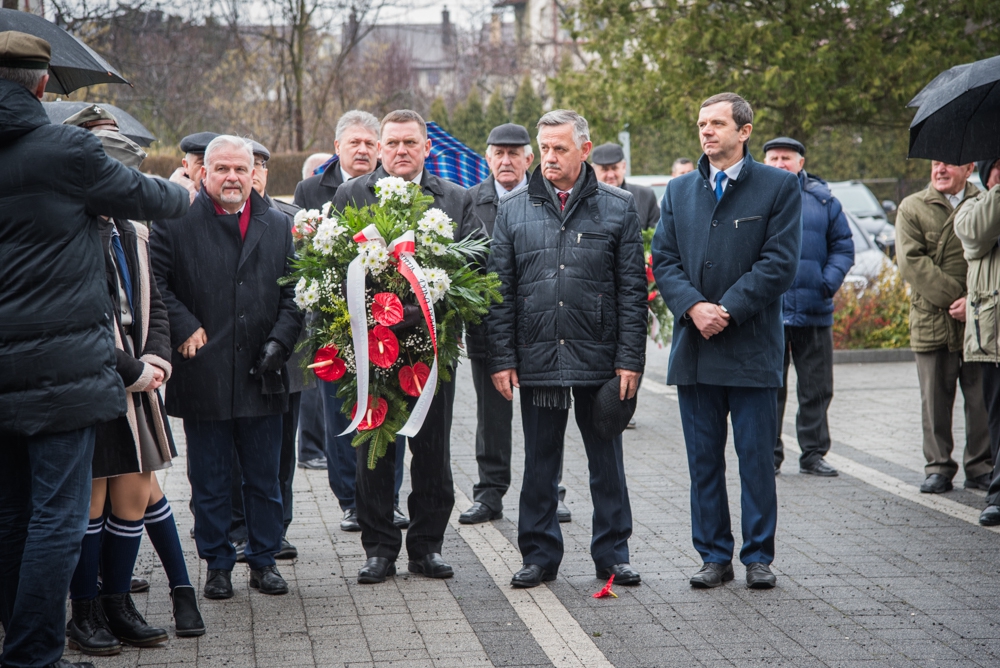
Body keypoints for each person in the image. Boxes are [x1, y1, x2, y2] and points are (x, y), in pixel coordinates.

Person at [0, 31, 188, 668]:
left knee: (10, 514)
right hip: (63, 371)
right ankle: (34, 653)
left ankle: (19, 640)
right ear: (44, 84)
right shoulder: (66, 150)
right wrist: (184, 186)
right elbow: (151, 199)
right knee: (57, 517)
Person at [59, 107, 205, 654]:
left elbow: (154, 302)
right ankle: (85, 611)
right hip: (96, 377)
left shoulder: (131, 227)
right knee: (92, 499)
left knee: (134, 491)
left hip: (140, 379)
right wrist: (133, 368)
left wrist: (158, 356)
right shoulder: (70, 228)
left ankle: (119, 603)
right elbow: (78, 320)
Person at [487, 109, 647, 589]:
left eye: (560, 148)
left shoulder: (618, 206)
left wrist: (630, 360)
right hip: (537, 355)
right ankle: (538, 555)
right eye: (545, 148)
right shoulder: (513, 208)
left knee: (607, 462)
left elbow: (632, 291)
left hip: (600, 359)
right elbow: (500, 291)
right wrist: (502, 358)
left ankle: (613, 554)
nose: (550, 157)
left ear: (585, 150)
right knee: (539, 462)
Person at [651, 92, 802, 590]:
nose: (707, 131)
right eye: (701, 124)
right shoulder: (679, 191)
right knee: (703, 463)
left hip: (752, 348)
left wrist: (728, 309)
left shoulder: (778, 186)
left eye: (717, 123)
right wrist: (694, 307)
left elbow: (779, 263)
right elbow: (664, 260)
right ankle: (714, 556)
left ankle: (758, 557)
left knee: (756, 460)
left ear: (744, 131)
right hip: (696, 350)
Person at [150, 135, 302, 600]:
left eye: (241, 169)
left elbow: (295, 293)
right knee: (210, 479)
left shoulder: (279, 224)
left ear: (253, 172)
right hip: (204, 370)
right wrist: (184, 325)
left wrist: (280, 341)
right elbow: (156, 283)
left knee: (264, 478)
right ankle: (217, 564)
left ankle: (264, 560)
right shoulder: (173, 223)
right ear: (203, 172)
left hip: (263, 371)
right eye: (222, 169)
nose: (232, 177)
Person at [331, 109, 479, 584]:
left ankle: (427, 546)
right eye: (391, 143)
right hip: (370, 347)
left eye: (410, 143)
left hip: (431, 349)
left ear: (426, 147)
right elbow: (333, 267)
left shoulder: (455, 198)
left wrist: (429, 307)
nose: (400, 151)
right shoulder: (353, 194)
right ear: (379, 147)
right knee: (373, 452)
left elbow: (475, 269)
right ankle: (379, 549)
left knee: (432, 452)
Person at [293, 110, 407, 533]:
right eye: (354, 143)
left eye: (369, 143)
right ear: (337, 146)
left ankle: (389, 499)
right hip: (333, 323)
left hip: (386, 324)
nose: (362, 150)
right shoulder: (310, 189)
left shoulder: (392, 186)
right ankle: (349, 501)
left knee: (389, 412)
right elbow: (301, 256)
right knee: (340, 414)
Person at [226, 140, 302, 563]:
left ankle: (278, 530)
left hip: (283, 360)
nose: (249, 174)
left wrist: (281, 340)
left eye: (257, 165)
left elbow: (302, 292)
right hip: (233, 360)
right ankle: (238, 530)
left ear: (265, 173)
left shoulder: (291, 220)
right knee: (236, 457)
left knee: (281, 455)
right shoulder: (214, 220)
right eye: (242, 165)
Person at [896, 161, 991, 494]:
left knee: (981, 399)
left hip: (978, 319)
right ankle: (938, 467)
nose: (940, 169)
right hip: (932, 317)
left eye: (949, 163)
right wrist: (957, 298)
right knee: (934, 400)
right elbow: (912, 263)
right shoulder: (912, 207)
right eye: (936, 163)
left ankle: (980, 466)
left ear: (969, 168)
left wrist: (972, 302)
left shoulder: (985, 203)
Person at [763, 137, 854, 477]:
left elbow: (843, 246)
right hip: (768, 313)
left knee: (816, 388)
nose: (780, 164)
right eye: (774, 158)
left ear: (801, 163)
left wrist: (824, 284)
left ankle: (813, 454)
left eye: (786, 158)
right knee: (769, 389)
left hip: (814, 310)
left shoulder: (823, 200)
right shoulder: (752, 198)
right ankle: (768, 456)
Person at [459, 123, 534, 526]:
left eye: (513, 153)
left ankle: (549, 490)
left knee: (545, 414)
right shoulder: (468, 202)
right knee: (491, 417)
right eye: (498, 153)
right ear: (487, 158)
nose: (506, 161)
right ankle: (490, 494)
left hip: (540, 326)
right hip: (488, 329)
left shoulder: (547, 197)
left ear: (528, 158)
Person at [955, 159, 1000, 524]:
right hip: (994, 337)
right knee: (997, 417)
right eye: (998, 166)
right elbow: (974, 235)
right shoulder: (973, 208)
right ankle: (998, 495)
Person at [591, 142, 660, 230]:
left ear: (624, 167)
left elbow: (655, 233)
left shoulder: (645, 196)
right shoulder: (585, 200)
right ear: (593, 170)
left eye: (614, 168)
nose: (611, 175)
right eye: (604, 169)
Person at [169, 131, 219, 204]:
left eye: (219, 166)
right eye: (202, 163)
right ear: (186, 165)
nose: (207, 171)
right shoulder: (173, 200)